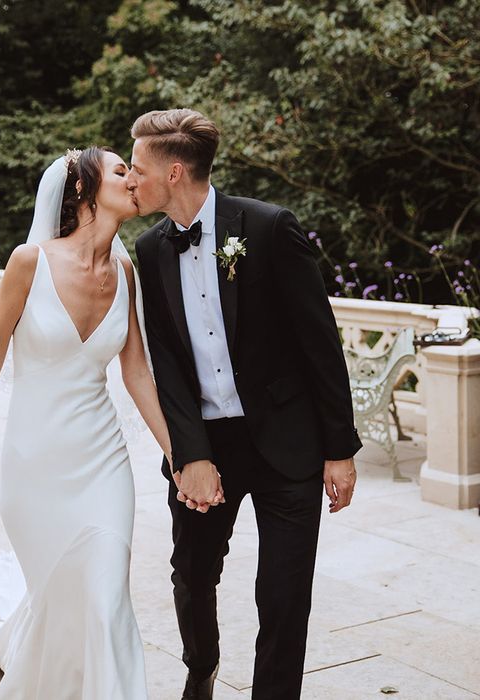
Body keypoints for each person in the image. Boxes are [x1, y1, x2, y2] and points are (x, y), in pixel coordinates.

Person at [0, 147, 173, 699]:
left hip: (104, 462)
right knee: (61, 603)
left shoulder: (126, 270)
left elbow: (137, 373)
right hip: (35, 467)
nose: (133, 179)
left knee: (107, 600)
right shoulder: (28, 263)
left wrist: (178, 454)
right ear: (83, 191)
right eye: (119, 170)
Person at [128, 109, 362, 700]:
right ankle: (201, 667)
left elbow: (320, 343)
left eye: (138, 168)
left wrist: (339, 449)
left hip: (289, 442)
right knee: (192, 578)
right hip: (209, 445)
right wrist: (190, 454)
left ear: (174, 171)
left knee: (284, 595)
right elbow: (167, 370)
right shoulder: (150, 250)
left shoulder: (268, 227)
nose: (132, 180)